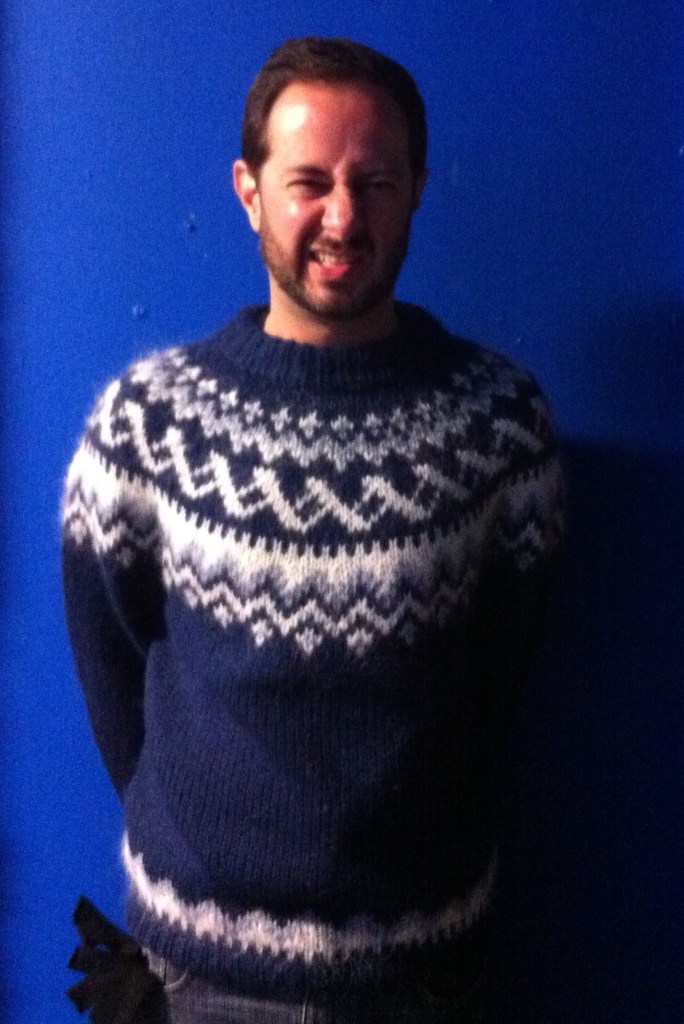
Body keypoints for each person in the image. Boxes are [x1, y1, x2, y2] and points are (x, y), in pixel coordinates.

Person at [62, 36, 565, 1024]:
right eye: (309, 183)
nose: (343, 217)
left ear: (416, 191)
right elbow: (111, 664)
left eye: (375, 182)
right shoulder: (145, 426)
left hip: (423, 970)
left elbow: (500, 674)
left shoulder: (501, 426)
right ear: (249, 191)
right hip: (197, 978)